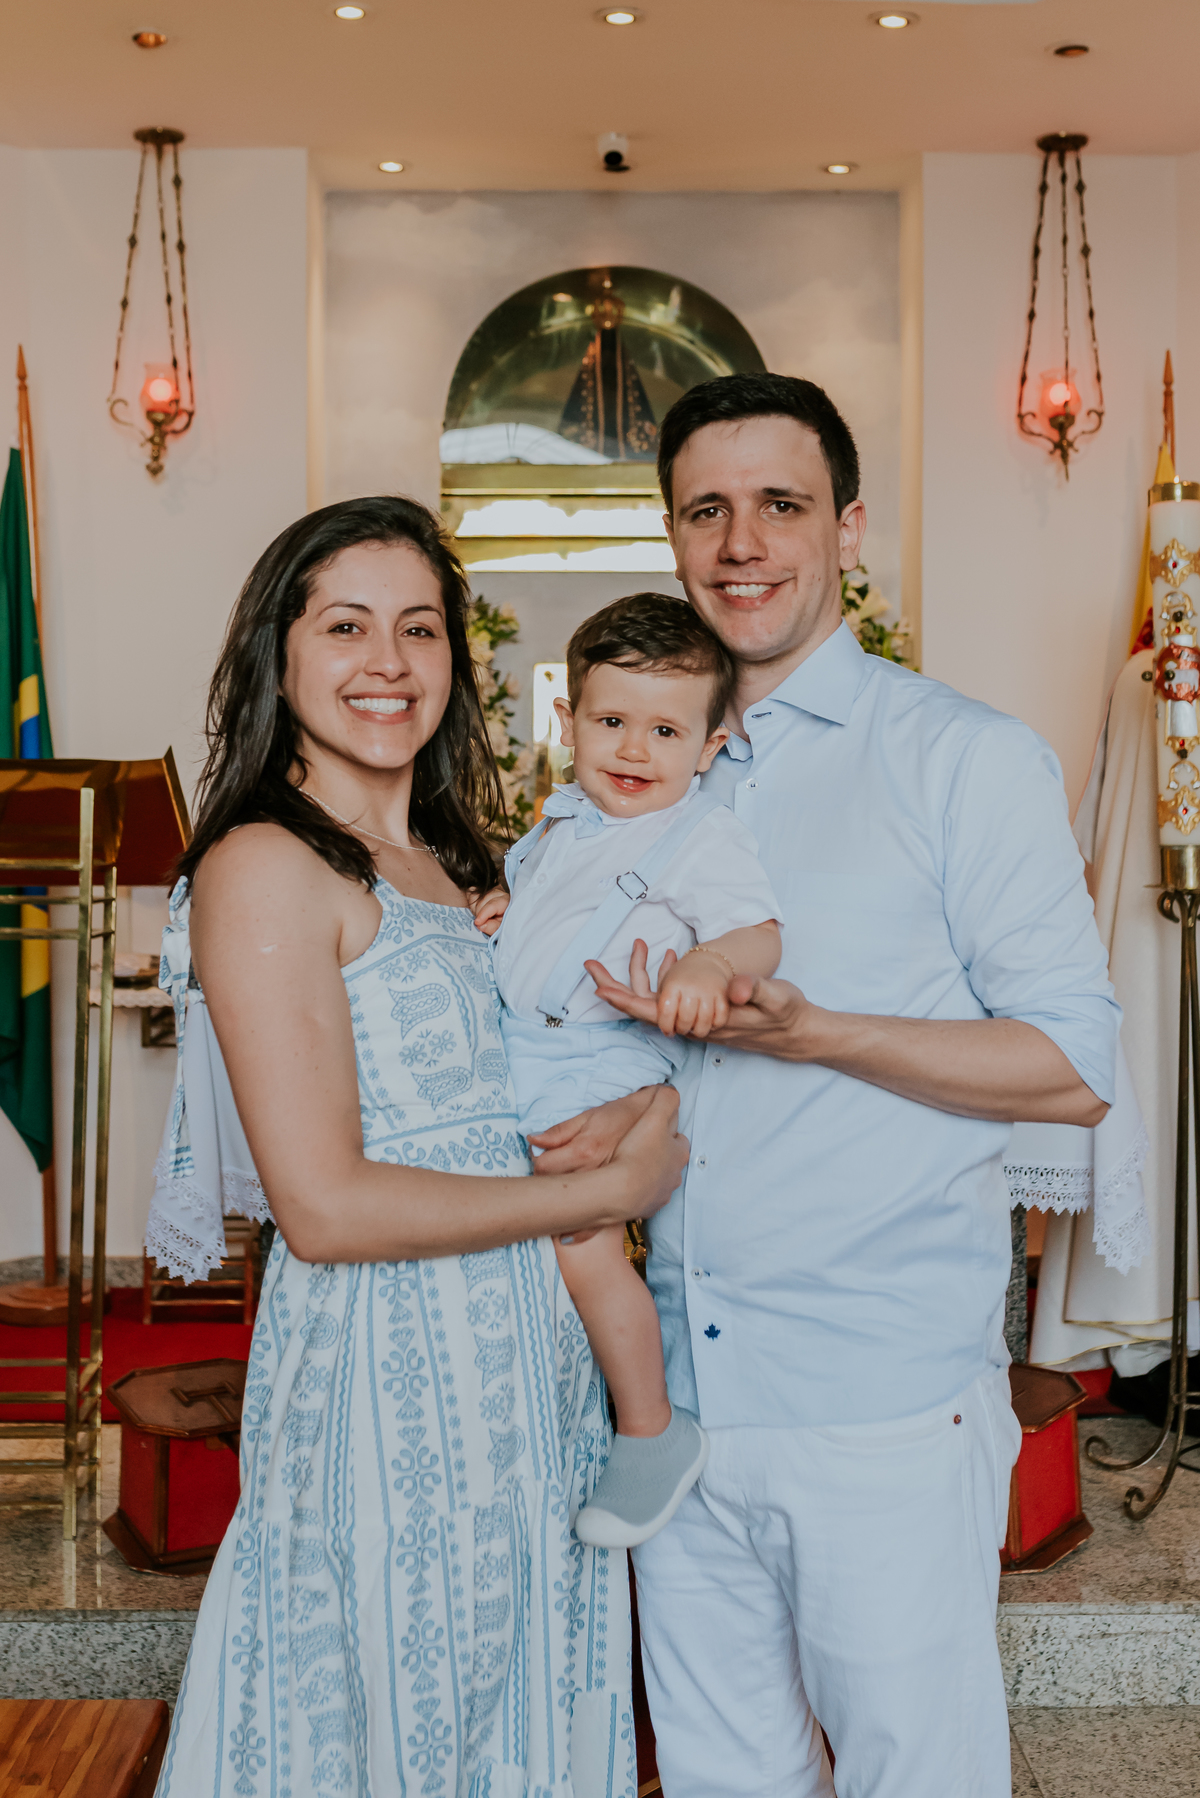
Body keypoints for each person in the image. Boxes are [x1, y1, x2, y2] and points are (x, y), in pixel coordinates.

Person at [582, 373, 1120, 1798]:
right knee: (718, 1781)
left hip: (877, 1405)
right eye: (707, 508)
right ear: (675, 539)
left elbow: (1073, 1067)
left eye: (781, 503)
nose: (741, 540)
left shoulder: (963, 759)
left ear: (851, 528)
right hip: (682, 1410)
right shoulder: (646, 776)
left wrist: (819, 1030)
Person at [147, 496, 687, 1798]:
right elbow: (323, 1204)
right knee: (400, 1700)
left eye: (418, 627)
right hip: (392, 1380)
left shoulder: (459, 861)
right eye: (346, 625)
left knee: (516, 1696)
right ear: (279, 652)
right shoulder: (268, 863)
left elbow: (542, 1073)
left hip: (531, 1372)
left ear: (457, 658)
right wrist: (610, 1189)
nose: (386, 661)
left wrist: (626, 1111)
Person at [473, 593, 782, 1548]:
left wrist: (707, 967)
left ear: (711, 743)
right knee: (490, 1226)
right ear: (567, 724)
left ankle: (650, 1428)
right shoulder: (563, 821)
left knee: (579, 1234)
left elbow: (759, 931)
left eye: (664, 729)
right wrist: (499, 912)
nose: (634, 750)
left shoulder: (702, 835)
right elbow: (546, 912)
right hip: (521, 1046)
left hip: (602, 1055)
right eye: (611, 722)